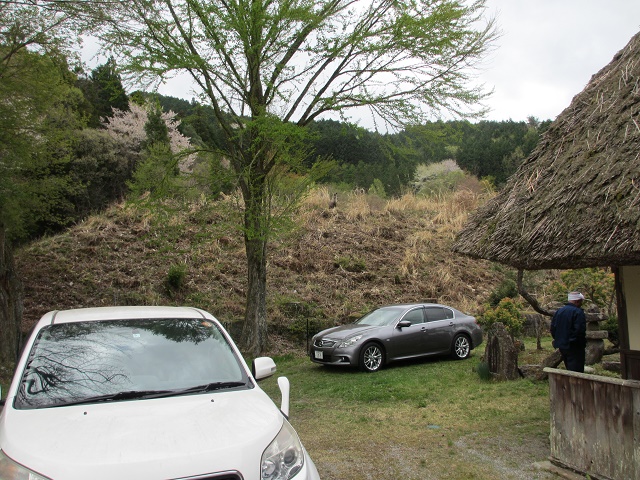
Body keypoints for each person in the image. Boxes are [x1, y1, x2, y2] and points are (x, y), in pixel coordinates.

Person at [550, 291, 587, 372]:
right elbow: (580, 330)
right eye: (581, 301)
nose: (581, 303)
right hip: (575, 346)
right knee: (576, 371)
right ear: (577, 301)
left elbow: (553, 328)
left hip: (562, 345)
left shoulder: (559, 312)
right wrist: (575, 341)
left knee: (568, 368)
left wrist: (558, 339)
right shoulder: (578, 312)